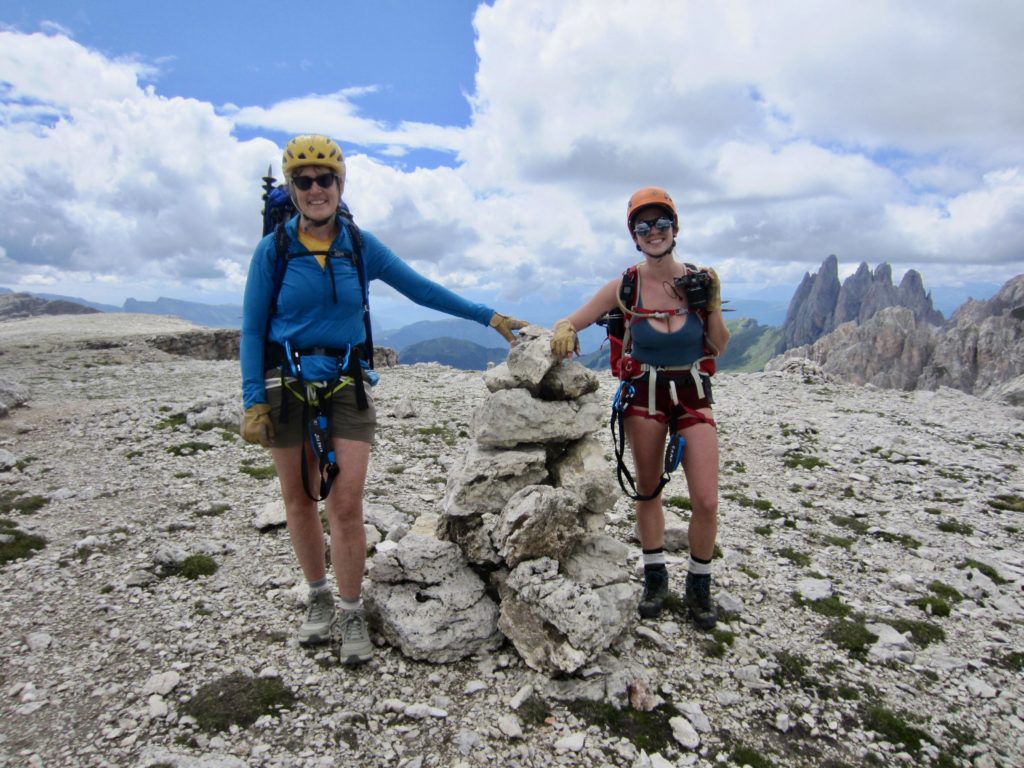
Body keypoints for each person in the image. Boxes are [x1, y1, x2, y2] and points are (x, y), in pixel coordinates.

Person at [240, 134, 527, 664]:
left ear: (340, 184)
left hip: (346, 384)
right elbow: (253, 329)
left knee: (345, 504)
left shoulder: (359, 245)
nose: (316, 188)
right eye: (304, 180)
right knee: (298, 500)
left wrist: (490, 317)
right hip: (287, 385)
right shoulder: (273, 250)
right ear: (293, 188)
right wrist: (253, 399)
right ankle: (318, 598)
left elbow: (423, 289)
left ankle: (351, 610)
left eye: (325, 179)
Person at [550, 186, 729, 629]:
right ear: (634, 235)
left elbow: (719, 345)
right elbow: (574, 320)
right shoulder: (625, 287)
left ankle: (699, 586)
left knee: (707, 500)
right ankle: (655, 579)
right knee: (648, 491)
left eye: (661, 223)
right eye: (643, 226)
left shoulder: (700, 283)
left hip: (693, 392)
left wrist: (711, 304)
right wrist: (563, 330)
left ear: (675, 228)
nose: (654, 232)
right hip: (643, 396)